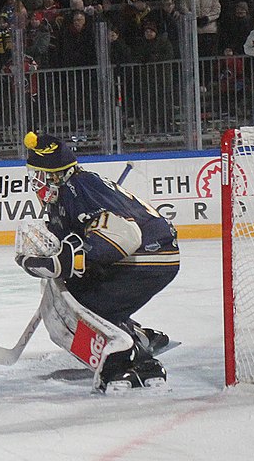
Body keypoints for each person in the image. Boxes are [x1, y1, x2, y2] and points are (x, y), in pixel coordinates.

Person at [15, 132, 179, 388]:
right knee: (81, 291)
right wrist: (49, 256)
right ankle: (136, 337)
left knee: (91, 304)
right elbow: (70, 243)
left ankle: (128, 361)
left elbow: (126, 235)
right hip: (141, 255)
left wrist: (69, 260)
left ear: (54, 174)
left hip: (151, 255)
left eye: (38, 176)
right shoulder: (66, 193)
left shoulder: (80, 188)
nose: (35, 183)